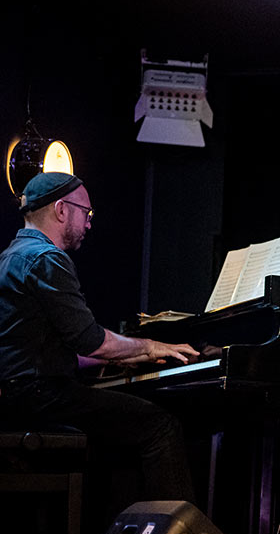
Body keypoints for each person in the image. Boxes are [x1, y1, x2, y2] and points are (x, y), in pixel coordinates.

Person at [0, 172, 199, 504]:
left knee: (117, 433)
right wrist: (149, 347)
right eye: (86, 213)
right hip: (39, 397)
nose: (89, 224)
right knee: (160, 425)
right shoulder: (47, 259)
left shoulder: (11, 256)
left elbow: (57, 349)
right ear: (62, 209)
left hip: (17, 396)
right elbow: (92, 341)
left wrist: (127, 355)